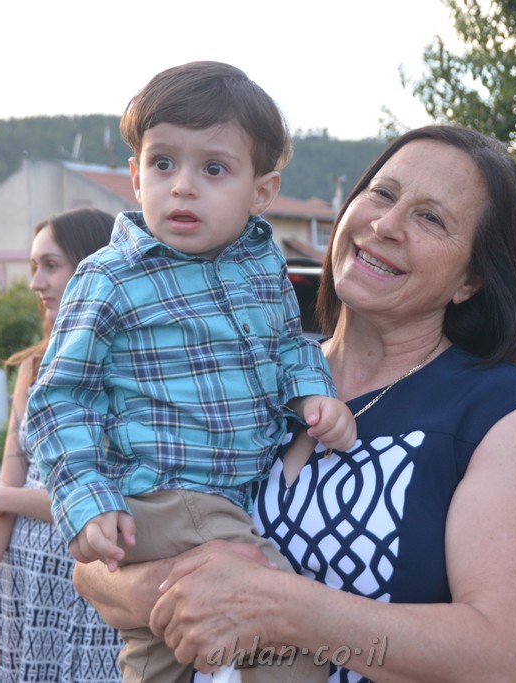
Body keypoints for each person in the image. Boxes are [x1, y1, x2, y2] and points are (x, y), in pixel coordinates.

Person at [73, 124, 516, 683]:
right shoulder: (249, 365)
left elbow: (502, 657)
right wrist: (177, 592)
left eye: (430, 218)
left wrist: (281, 608)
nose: (385, 224)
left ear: (470, 280)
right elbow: (94, 565)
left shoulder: (501, 414)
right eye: (382, 193)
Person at [25, 61, 352, 682]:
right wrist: (87, 499)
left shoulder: (263, 268)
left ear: (262, 191)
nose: (182, 187)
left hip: (230, 498)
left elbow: (289, 345)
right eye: (163, 163)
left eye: (214, 169)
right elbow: (59, 399)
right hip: (169, 497)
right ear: (134, 176)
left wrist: (313, 394)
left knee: (161, 657)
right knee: (288, 637)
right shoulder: (110, 276)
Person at [0, 207, 122, 683]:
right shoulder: (33, 368)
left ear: (91, 267)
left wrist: (10, 498)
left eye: (50, 265)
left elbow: (113, 503)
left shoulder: (130, 371)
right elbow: (0, 495)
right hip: (22, 586)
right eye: (33, 266)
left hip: (96, 591)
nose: (35, 283)